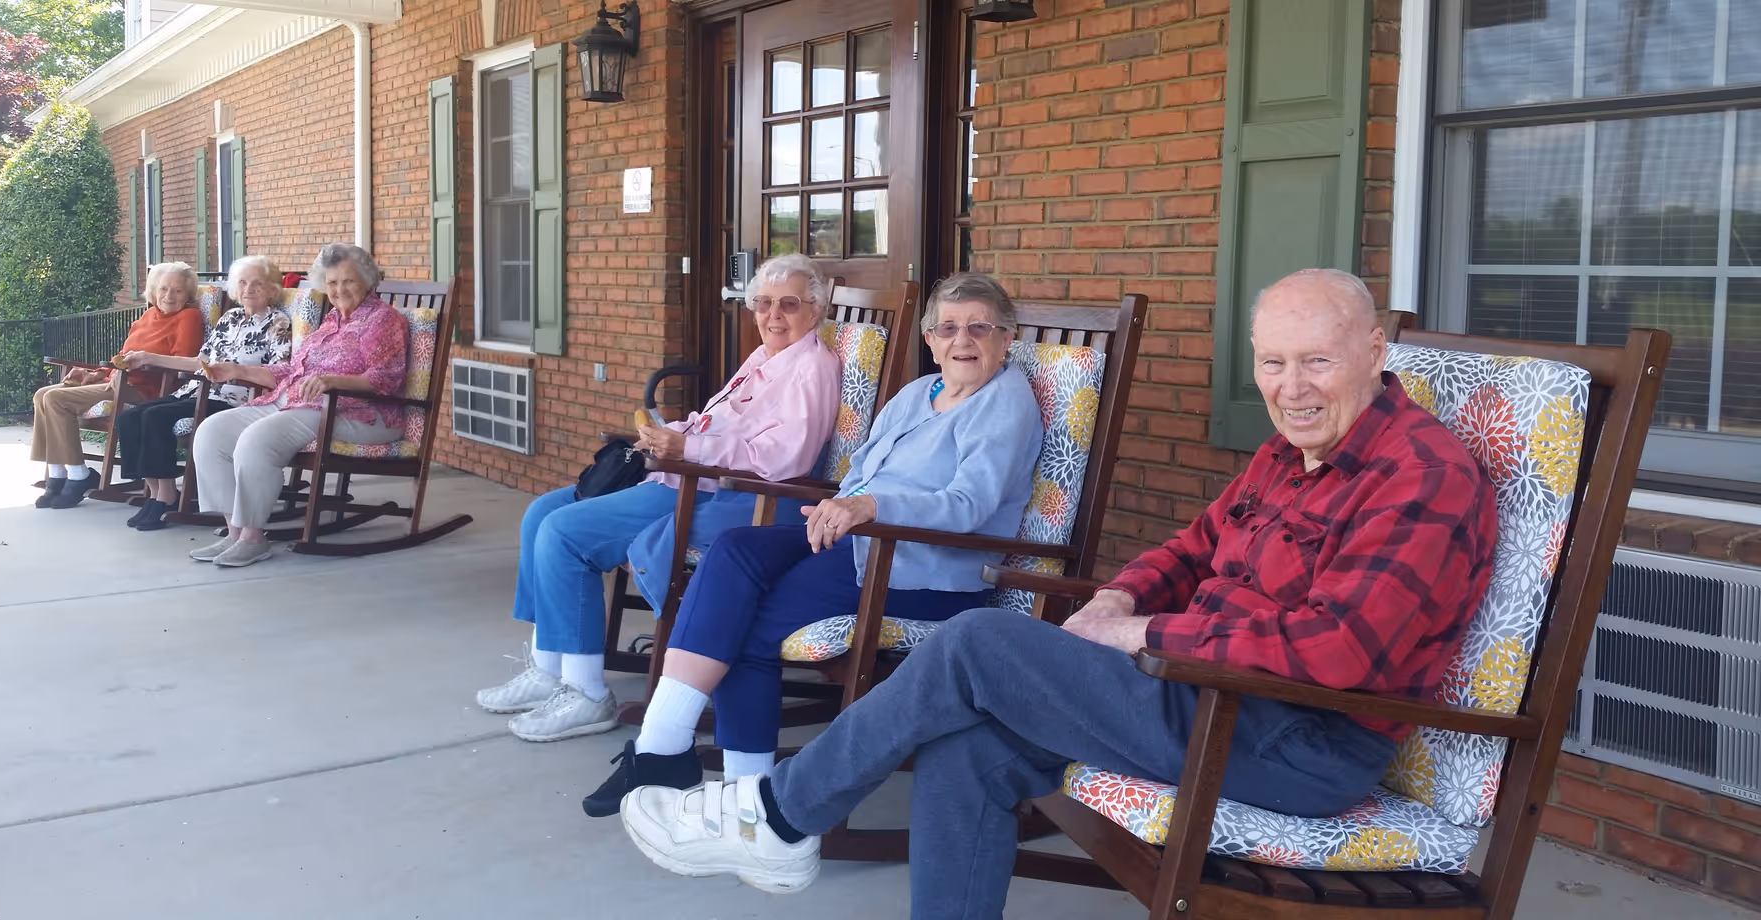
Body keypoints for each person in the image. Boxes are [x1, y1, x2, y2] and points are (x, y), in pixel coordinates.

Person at [619, 268, 1501, 912]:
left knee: (978, 644)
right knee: (966, 752)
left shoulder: (1420, 475)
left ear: (1375, 351)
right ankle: (785, 823)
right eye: (1273, 364)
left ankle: (779, 815)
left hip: (1291, 734)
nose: (1291, 388)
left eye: (1316, 362)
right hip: (1199, 694)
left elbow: (1335, 652)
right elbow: (1192, 547)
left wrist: (1145, 635)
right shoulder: (1289, 450)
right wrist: (1121, 599)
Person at [579, 271, 1044, 819]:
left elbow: (969, 505)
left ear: (1006, 336)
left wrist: (869, 507)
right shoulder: (921, 392)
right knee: (734, 550)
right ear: (929, 339)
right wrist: (843, 503)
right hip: (857, 540)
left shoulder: (1005, 404)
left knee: (750, 623)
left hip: (922, 568)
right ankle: (663, 746)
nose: (962, 340)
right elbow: (863, 468)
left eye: (979, 327)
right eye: (948, 328)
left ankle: (744, 798)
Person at [475, 254, 843, 744]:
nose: (773, 315)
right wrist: (670, 434)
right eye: (763, 302)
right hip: (682, 472)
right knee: (543, 511)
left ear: (815, 310)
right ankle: (549, 666)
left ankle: (586, 694)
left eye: (789, 304)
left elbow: (785, 458)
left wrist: (689, 449)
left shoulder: (811, 368)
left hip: (722, 493)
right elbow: (722, 420)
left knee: (565, 534)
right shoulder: (765, 358)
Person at [188, 243, 406, 568]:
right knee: (211, 432)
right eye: (332, 283)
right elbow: (293, 372)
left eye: (348, 281)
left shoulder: (383, 320)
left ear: (367, 280)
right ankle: (234, 532)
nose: (339, 289)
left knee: (256, 441)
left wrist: (335, 381)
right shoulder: (331, 321)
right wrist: (238, 370)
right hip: (298, 403)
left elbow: (387, 378)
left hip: (359, 414)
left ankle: (253, 537)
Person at [116, 255, 294, 531]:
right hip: (198, 390)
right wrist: (147, 357)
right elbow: (200, 362)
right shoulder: (229, 318)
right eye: (243, 282)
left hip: (233, 399)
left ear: (272, 289)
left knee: (155, 417)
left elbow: (281, 372)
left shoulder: (278, 323)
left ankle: (167, 496)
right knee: (130, 418)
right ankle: (154, 490)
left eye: (258, 283)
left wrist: (237, 371)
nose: (248, 289)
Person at [30, 261, 204, 510]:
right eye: (164, 289)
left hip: (146, 392)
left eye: (177, 290)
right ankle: (57, 473)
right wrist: (95, 372)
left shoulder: (188, 317)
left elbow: (181, 367)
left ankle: (79, 476)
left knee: (56, 399)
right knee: (42, 394)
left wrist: (139, 365)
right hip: (116, 381)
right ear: (154, 290)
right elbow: (123, 355)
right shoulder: (147, 316)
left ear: (188, 294)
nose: (169, 296)